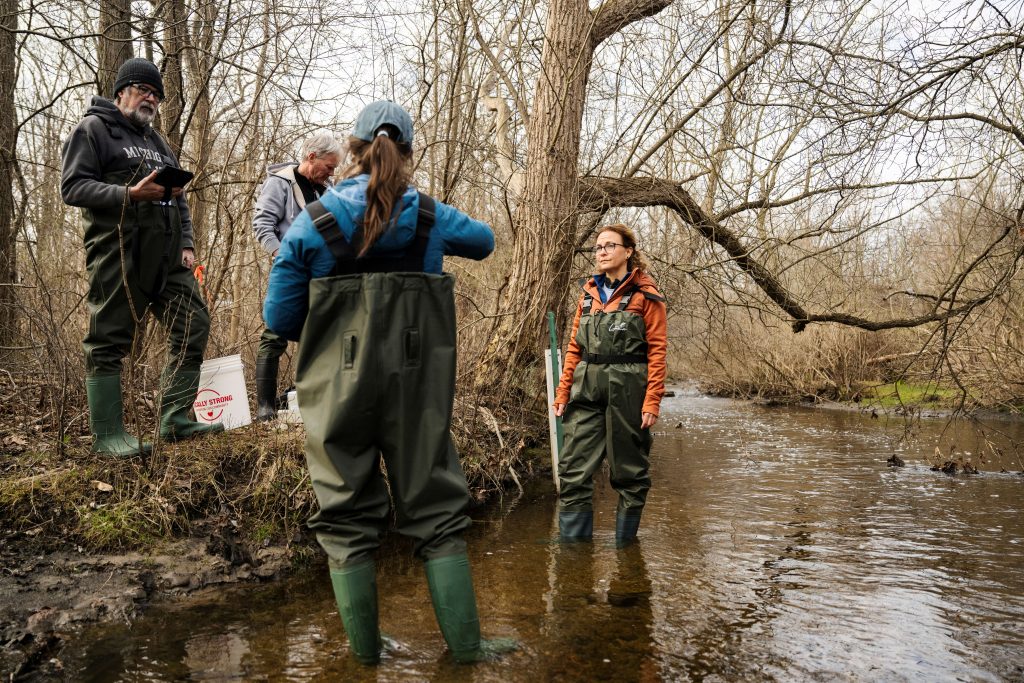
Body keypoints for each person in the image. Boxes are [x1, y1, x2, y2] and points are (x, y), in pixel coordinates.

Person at [265, 101, 513, 664]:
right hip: (416, 383)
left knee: (345, 513)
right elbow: (485, 240)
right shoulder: (427, 215)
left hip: (337, 387)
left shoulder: (314, 222)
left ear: (350, 151)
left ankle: (366, 655)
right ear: (408, 152)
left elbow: (279, 320)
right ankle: (469, 651)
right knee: (435, 507)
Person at [61, 57, 223, 457]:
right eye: (143, 89)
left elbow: (179, 199)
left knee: (193, 323)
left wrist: (187, 243)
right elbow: (74, 187)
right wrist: (129, 195)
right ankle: (108, 435)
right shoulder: (94, 129)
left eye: (156, 94)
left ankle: (175, 419)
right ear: (121, 92)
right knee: (108, 339)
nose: (150, 98)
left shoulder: (157, 142)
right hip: (119, 251)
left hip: (168, 258)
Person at [553, 224, 667, 546]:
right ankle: (573, 557)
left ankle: (625, 553)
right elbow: (575, 347)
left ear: (627, 251)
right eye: (598, 247)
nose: (601, 252)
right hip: (585, 389)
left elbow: (657, 351)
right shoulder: (587, 295)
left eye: (609, 246)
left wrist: (652, 400)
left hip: (628, 390)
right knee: (573, 471)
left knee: (630, 476)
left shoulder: (647, 296)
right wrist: (563, 391)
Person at [251, 131, 343, 420]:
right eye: (329, 167)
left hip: (321, 274)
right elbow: (262, 224)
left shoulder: (329, 191)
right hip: (289, 271)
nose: (331, 173)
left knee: (317, 334)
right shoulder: (280, 183)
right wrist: (283, 257)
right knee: (275, 332)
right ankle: (265, 406)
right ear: (311, 157)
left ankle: (295, 396)